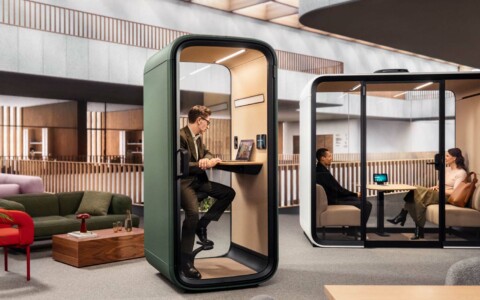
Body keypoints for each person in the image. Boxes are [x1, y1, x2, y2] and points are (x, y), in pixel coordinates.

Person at [179, 105, 236, 279]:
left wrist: (208, 159)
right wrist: (202, 164)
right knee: (192, 214)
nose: (208, 126)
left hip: (199, 181)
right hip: (185, 182)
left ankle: (202, 225)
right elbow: (180, 166)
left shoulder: (197, 138)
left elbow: (208, 153)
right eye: (208, 122)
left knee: (228, 193)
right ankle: (186, 261)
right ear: (199, 120)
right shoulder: (180, 136)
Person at [387, 148, 467, 240]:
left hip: (447, 197)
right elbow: (439, 185)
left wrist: (440, 190)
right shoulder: (446, 169)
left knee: (417, 190)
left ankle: (405, 216)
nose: (445, 157)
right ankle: (414, 226)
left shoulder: (461, 173)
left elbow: (455, 192)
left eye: (447, 156)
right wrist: (435, 187)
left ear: (454, 158)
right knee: (417, 199)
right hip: (438, 193)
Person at [315, 148, 373, 230]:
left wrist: (354, 195)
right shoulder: (322, 173)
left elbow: (337, 189)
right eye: (329, 156)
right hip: (333, 200)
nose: (331, 158)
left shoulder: (319, 170)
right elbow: (339, 190)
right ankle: (354, 230)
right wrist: (355, 194)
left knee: (361, 200)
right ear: (322, 158)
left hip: (332, 198)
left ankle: (353, 229)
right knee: (367, 204)